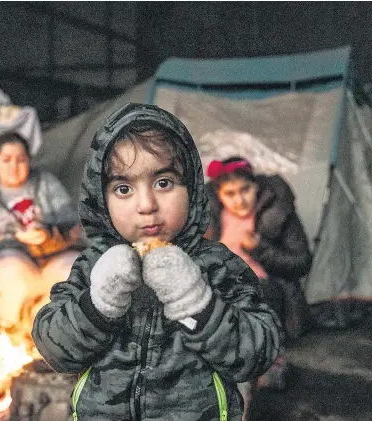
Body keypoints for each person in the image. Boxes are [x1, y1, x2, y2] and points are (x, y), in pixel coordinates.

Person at [32, 103, 282, 421]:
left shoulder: (218, 266)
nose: (147, 205)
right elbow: (54, 347)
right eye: (123, 189)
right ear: (101, 201)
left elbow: (259, 352)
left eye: (163, 183)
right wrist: (98, 305)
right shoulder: (95, 266)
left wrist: (197, 304)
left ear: (191, 188)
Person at [0, 132, 82, 333]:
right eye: (6, 160)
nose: (14, 166)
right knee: (10, 274)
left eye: (21, 160)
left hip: (53, 258)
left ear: (29, 161)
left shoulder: (46, 184)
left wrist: (49, 235)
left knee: (79, 271)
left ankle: (56, 333)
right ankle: (19, 334)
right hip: (12, 262)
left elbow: (74, 227)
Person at [205, 156, 313, 392]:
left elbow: (302, 262)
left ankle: (269, 362)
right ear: (219, 195)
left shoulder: (275, 213)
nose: (239, 200)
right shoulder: (214, 217)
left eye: (245, 190)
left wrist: (260, 248)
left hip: (265, 287)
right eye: (230, 194)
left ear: (257, 187)